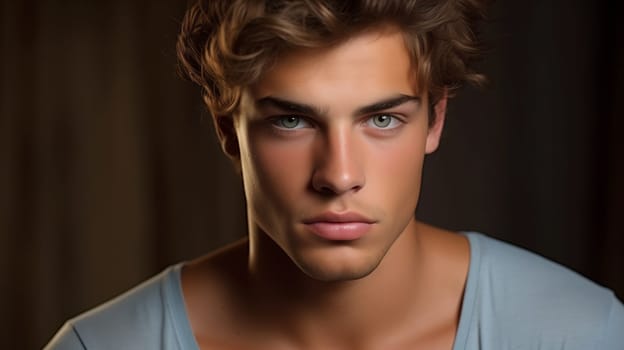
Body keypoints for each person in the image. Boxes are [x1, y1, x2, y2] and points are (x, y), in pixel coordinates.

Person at [46, 0, 624, 349]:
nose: (339, 175)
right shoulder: (102, 349)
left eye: (381, 118)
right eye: (293, 120)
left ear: (435, 118)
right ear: (227, 125)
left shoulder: (583, 335)